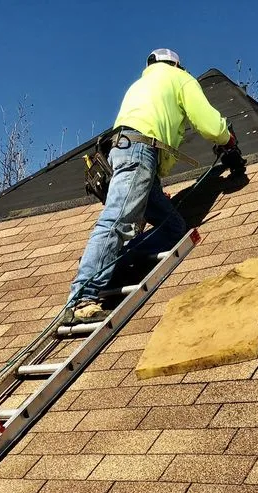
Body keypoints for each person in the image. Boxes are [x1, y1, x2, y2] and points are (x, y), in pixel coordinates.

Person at [64, 48, 244, 324]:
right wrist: (227, 139)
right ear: (176, 64)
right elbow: (209, 125)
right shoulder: (179, 78)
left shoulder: (141, 84)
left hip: (127, 154)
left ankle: (110, 262)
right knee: (118, 221)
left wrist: (149, 185)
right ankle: (83, 295)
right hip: (139, 154)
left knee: (173, 228)